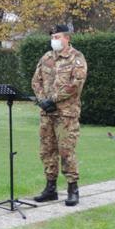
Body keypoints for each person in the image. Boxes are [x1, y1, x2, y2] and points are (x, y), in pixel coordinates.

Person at [31, 24, 88, 206]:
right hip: (47, 113)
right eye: (52, 37)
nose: (54, 40)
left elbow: (75, 84)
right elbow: (36, 80)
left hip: (66, 114)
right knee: (47, 150)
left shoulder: (76, 58)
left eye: (58, 37)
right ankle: (50, 189)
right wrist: (42, 100)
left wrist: (53, 100)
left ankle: (73, 189)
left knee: (66, 151)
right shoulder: (47, 57)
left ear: (67, 38)